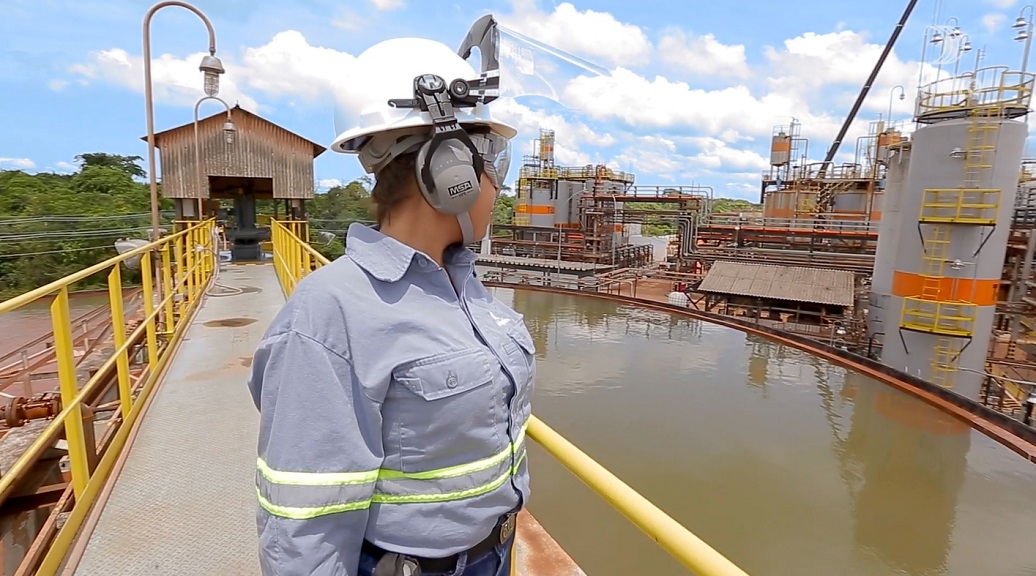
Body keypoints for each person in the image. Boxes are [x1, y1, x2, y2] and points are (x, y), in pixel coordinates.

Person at [246, 15, 536, 576]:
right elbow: (306, 523)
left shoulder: (464, 287)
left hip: (494, 556)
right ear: (451, 172)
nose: (499, 185)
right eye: (492, 162)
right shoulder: (329, 316)